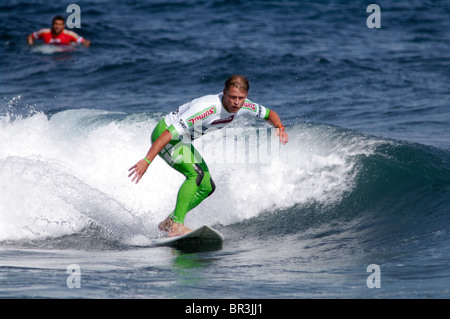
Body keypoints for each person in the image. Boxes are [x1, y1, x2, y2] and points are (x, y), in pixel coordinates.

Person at [128, 75, 289, 237]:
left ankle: (170, 221)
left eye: (240, 98)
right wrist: (147, 160)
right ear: (224, 93)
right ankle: (177, 225)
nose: (236, 102)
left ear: (246, 96)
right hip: (165, 135)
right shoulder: (206, 109)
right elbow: (168, 134)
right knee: (195, 174)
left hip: (182, 141)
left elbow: (269, 114)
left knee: (207, 187)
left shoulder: (245, 106)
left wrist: (279, 127)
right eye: (232, 97)